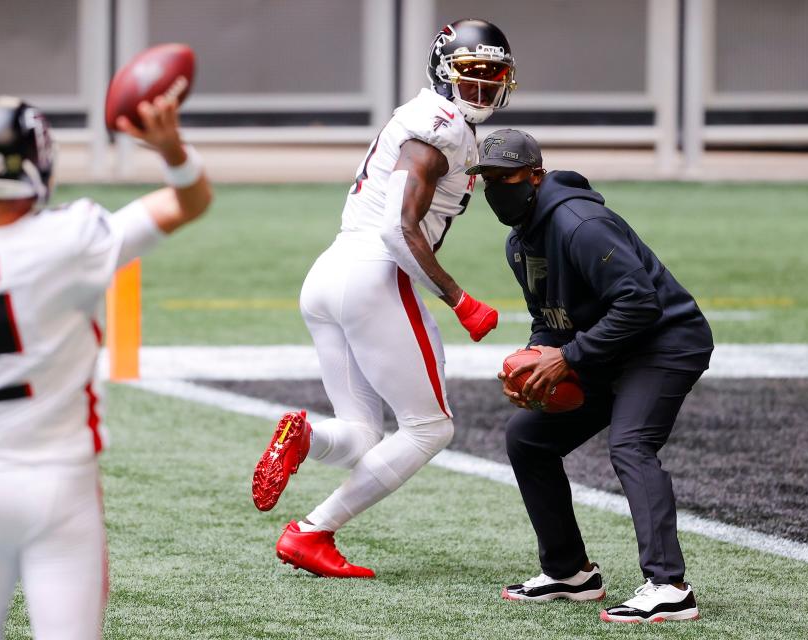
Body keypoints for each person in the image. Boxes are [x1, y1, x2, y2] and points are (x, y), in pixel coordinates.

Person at [0, 95, 212, 639]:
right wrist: (171, 148)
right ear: (38, 165)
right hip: (62, 486)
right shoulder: (73, 238)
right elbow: (189, 202)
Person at [250, 19, 516, 578]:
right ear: (444, 72)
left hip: (329, 273)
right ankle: (312, 532)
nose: (483, 88)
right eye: (472, 74)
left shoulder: (433, 120)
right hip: (375, 274)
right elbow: (398, 231)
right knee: (431, 427)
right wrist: (459, 298)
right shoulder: (437, 127)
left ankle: (304, 437)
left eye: (494, 76)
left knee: (362, 435)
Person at [465, 130, 713, 622]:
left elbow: (640, 303)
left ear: (535, 175)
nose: (497, 188)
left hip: (665, 343)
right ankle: (569, 573)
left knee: (631, 443)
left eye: (507, 176)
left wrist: (568, 357)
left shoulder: (581, 224)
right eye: (487, 179)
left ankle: (670, 586)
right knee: (527, 437)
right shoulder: (520, 242)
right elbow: (550, 317)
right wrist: (537, 358)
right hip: (608, 350)